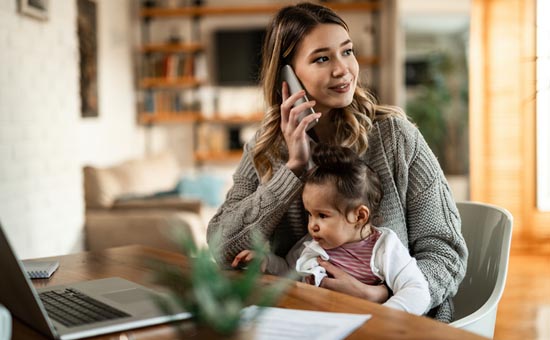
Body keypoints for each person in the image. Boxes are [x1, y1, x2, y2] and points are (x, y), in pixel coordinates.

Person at [207, 2, 467, 322]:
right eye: (322, 58)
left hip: (400, 323)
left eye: (347, 51)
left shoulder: (395, 136)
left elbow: (446, 253)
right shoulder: (265, 149)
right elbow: (223, 249)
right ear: (287, 77)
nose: (343, 69)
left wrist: (382, 295)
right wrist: (294, 169)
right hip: (302, 319)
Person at [232, 144, 431, 315]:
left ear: (359, 216)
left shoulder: (384, 247)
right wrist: (265, 262)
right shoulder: (313, 244)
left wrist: (383, 316)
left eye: (322, 215)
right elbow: (288, 270)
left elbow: (417, 290)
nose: (312, 225)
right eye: (310, 214)